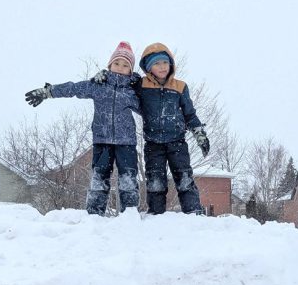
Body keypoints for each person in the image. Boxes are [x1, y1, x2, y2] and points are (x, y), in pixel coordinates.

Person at [24, 42, 141, 216]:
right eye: (116, 63)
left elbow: (151, 108)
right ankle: (94, 216)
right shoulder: (98, 85)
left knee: (128, 179)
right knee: (99, 179)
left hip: (127, 142)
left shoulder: (133, 90)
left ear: (130, 70)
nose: (120, 68)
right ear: (109, 65)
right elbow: (74, 88)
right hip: (102, 140)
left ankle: (130, 216)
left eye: (125, 65)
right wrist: (49, 92)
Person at [136, 42, 210, 215]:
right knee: (155, 181)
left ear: (170, 64)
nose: (162, 67)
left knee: (184, 178)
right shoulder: (141, 85)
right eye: (156, 63)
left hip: (177, 142)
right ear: (148, 67)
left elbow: (189, 114)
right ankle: (156, 215)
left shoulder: (180, 87)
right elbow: (122, 83)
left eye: (164, 62)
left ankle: (193, 214)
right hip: (153, 144)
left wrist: (200, 134)